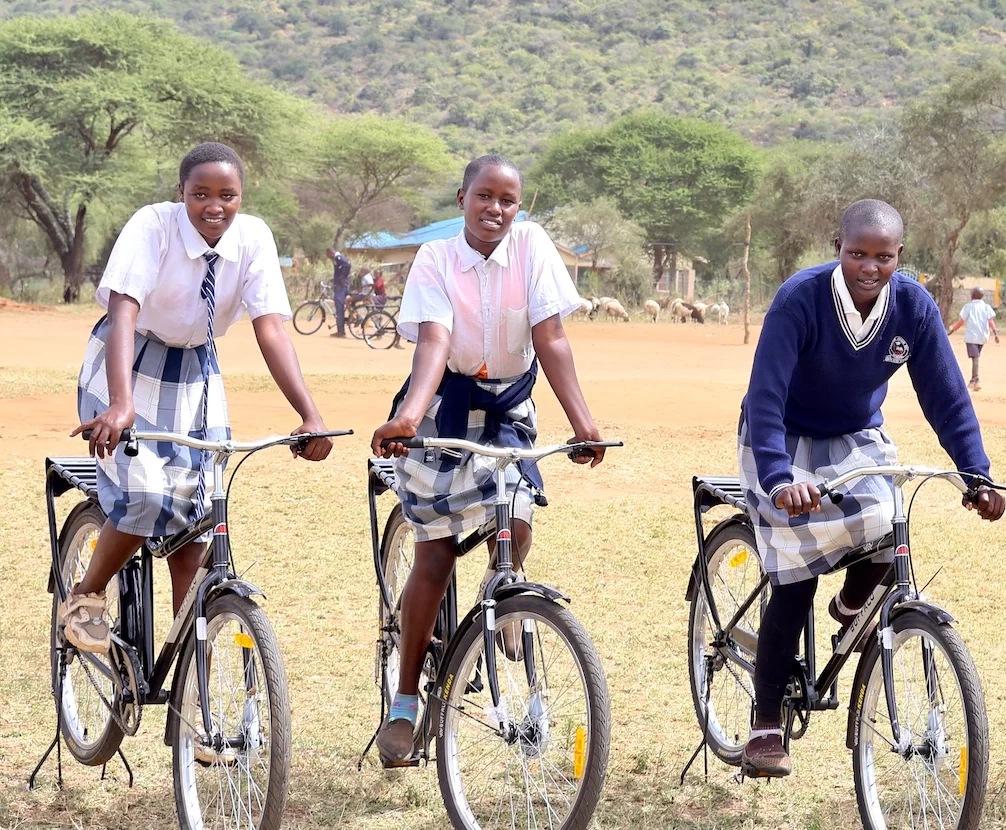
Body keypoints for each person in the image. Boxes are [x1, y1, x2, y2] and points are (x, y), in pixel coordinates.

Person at [738, 199, 1006, 778]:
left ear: (899, 258)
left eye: (883, 257)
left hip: (855, 435)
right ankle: (765, 721)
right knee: (794, 567)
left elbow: (945, 395)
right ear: (838, 248)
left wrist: (975, 472)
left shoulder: (911, 306)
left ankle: (851, 606)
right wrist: (780, 479)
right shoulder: (800, 299)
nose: (869, 266)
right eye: (857, 253)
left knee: (889, 516)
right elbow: (765, 394)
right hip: (783, 435)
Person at [370, 154, 606, 765]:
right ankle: (404, 701)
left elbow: (551, 339)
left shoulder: (532, 247)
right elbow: (434, 343)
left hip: (508, 408)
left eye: (507, 200)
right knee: (436, 552)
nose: (495, 209)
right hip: (442, 406)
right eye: (484, 197)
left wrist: (584, 424)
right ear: (462, 198)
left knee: (518, 515)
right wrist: (406, 416)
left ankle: (500, 602)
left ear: (518, 207)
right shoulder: (436, 259)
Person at [64, 142, 334, 654]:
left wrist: (309, 413)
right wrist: (121, 403)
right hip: (128, 359)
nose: (215, 206)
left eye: (228, 195)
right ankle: (87, 594)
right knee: (145, 497)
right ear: (180, 194)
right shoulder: (153, 226)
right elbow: (123, 310)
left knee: (198, 515)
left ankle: (192, 663)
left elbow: (271, 330)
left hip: (196, 369)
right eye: (201, 194)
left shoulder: (253, 237)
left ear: (242, 197)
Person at [947, 286, 999, 391]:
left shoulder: (968, 307)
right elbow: (991, 321)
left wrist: (952, 331)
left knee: (975, 358)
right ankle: (975, 380)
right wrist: (995, 332)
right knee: (976, 357)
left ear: (972, 295)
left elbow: (961, 322)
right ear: (982, 296)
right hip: (982, 336)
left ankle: (975, 380)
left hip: (972, 336)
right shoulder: (986, 307)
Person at [325, 246, 352, 337]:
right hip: (340, 285)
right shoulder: (337, 258)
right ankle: (340, 329)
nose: (328, 257)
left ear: (330, 253)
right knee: (339, 307)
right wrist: (336, 278)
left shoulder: (338, 258)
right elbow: (341, 270)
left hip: (341, 286)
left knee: (339, 307)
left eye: (328, 255)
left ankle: (341, 331)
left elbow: (347, 265)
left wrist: (343, 278)